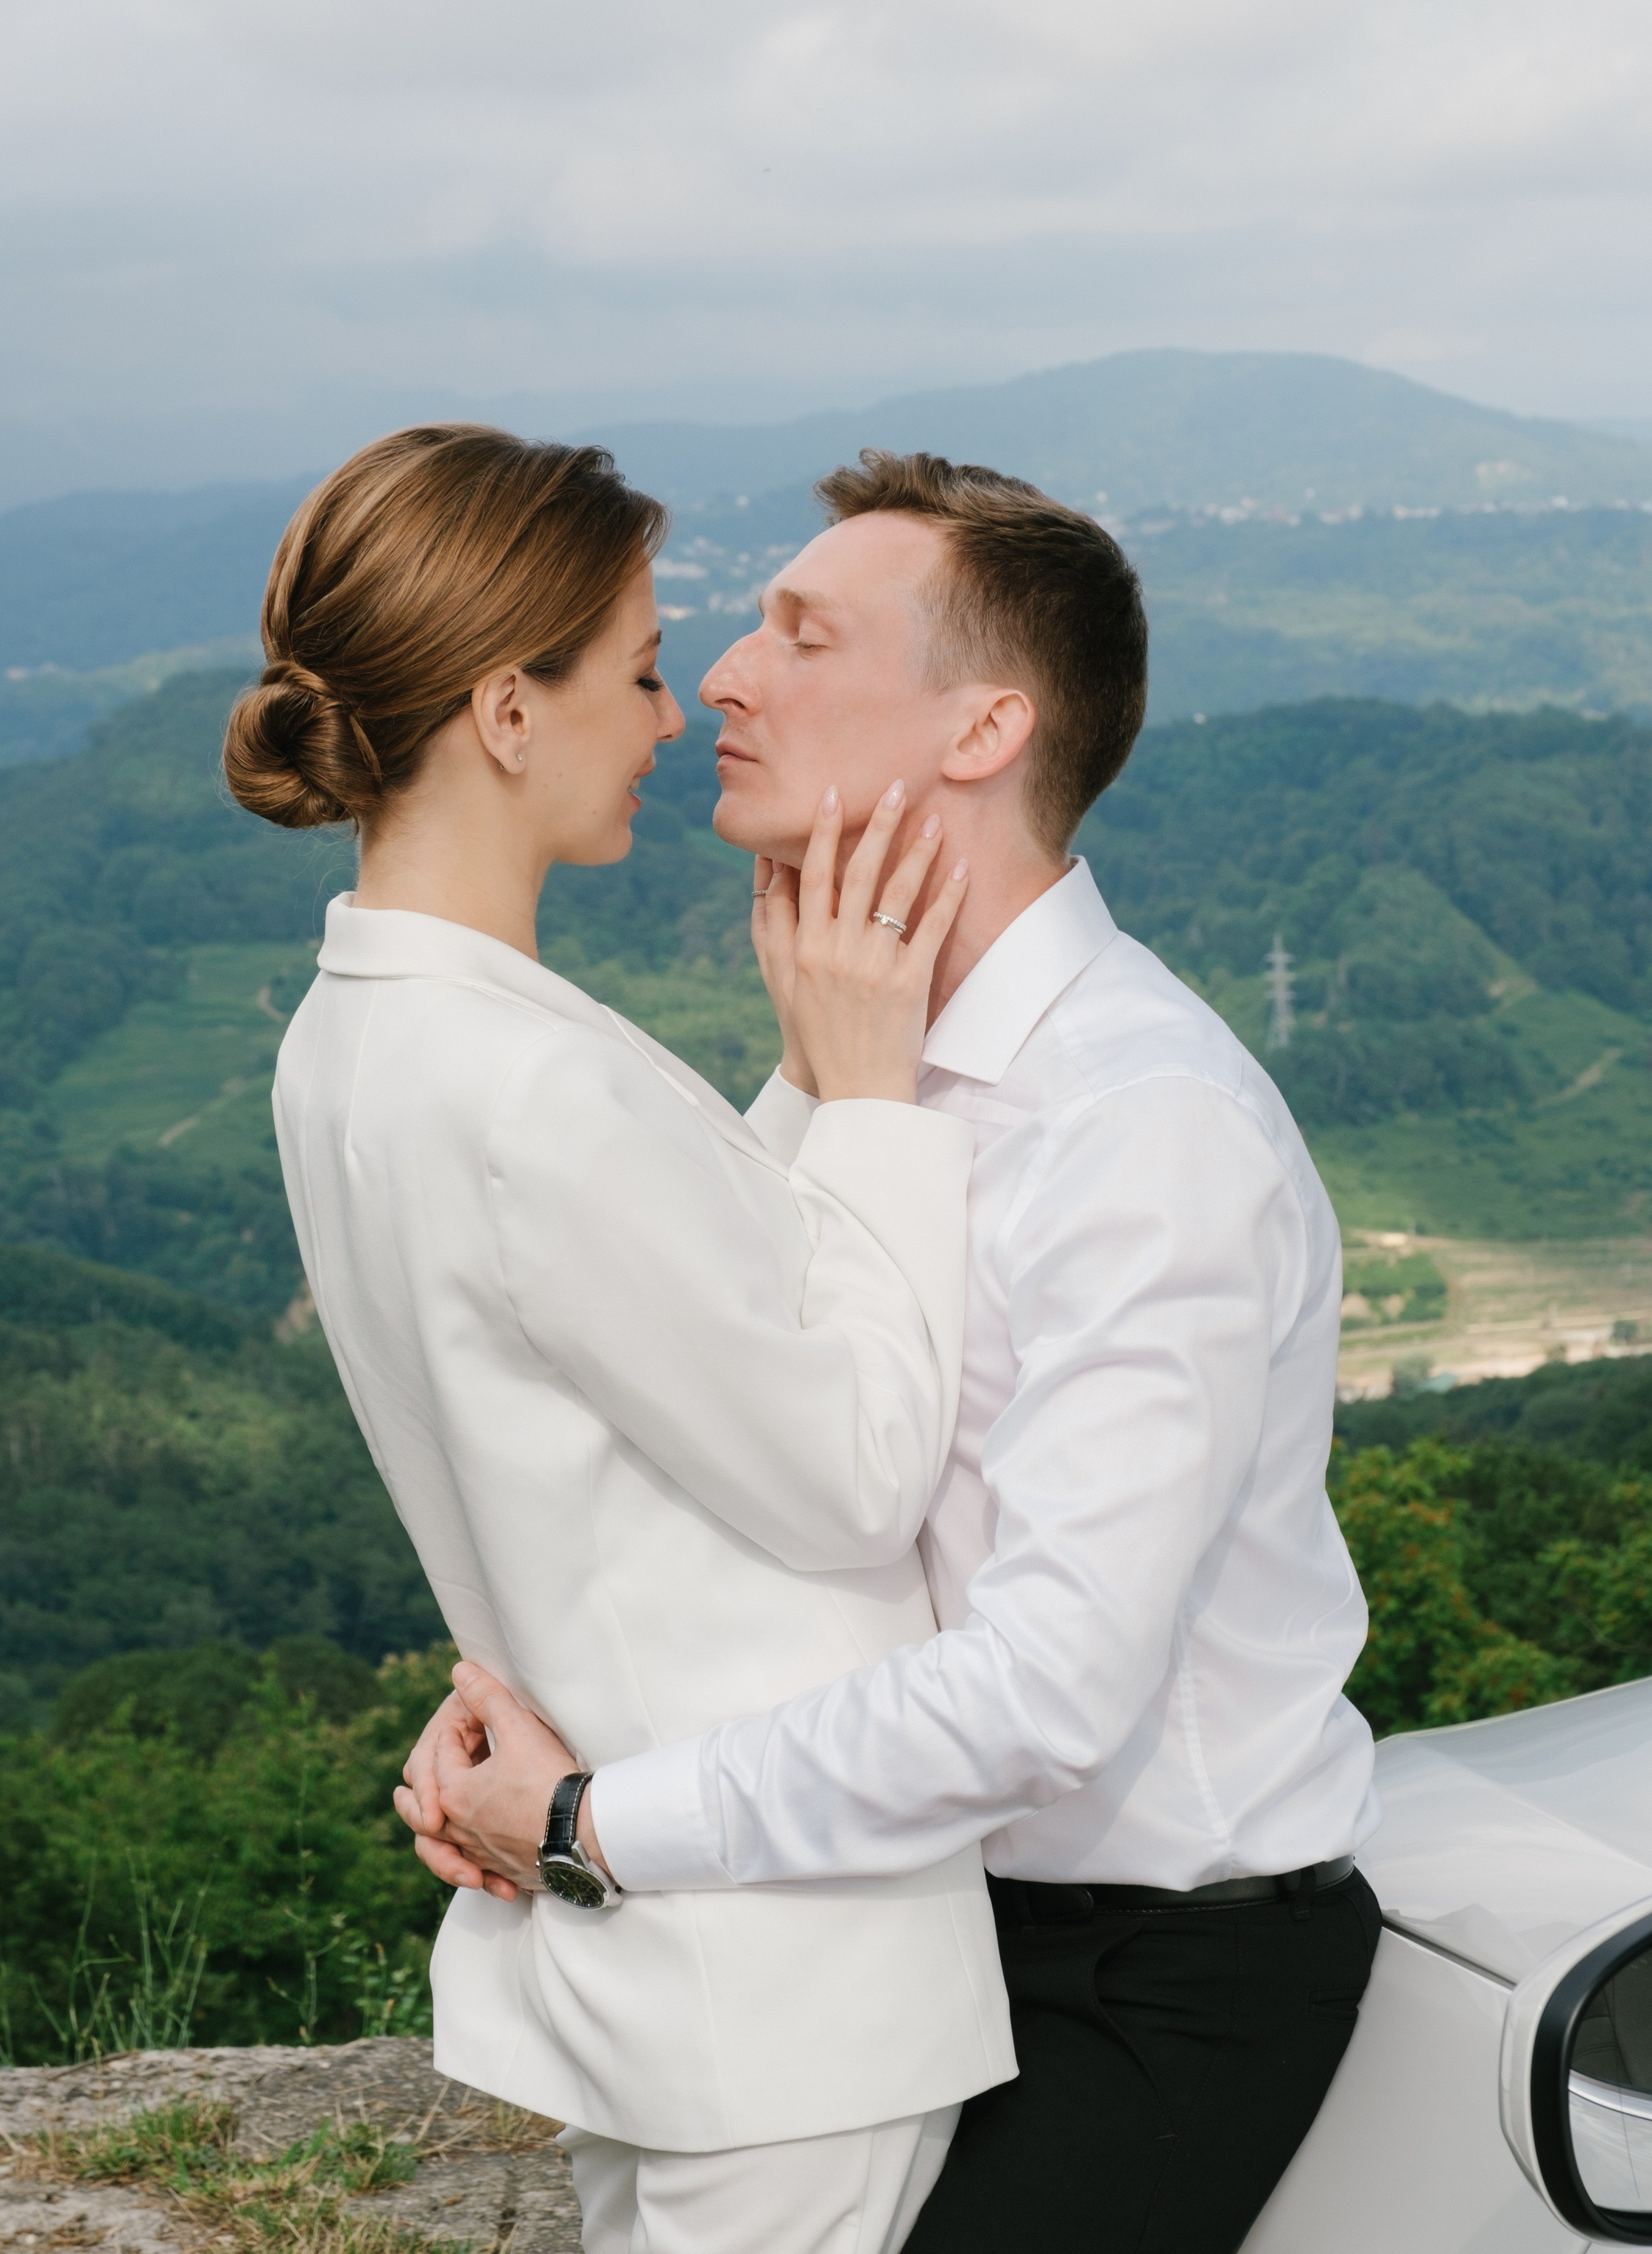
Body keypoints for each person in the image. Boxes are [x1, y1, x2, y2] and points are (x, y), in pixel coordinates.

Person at [403, 449, 1384, 2254]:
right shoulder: (867, 1063)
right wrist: (508, 1729)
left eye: (800, 635)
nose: (718, 675)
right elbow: (726, 1486)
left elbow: (1046, 1690)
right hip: (896, 1913)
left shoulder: (1134, 1128)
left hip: (1146, 1965)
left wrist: (600, 1820)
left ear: (982, 727)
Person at [222, 423, 1014, 2254]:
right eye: (642, 669)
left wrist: (810, 1082)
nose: (675, 718)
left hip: (638, 1946)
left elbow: (623, 1356)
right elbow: (850, 1476)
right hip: (778, 1977)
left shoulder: (349, 1038)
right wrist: (879, 1098)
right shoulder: (520, 1085)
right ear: (508, 709)